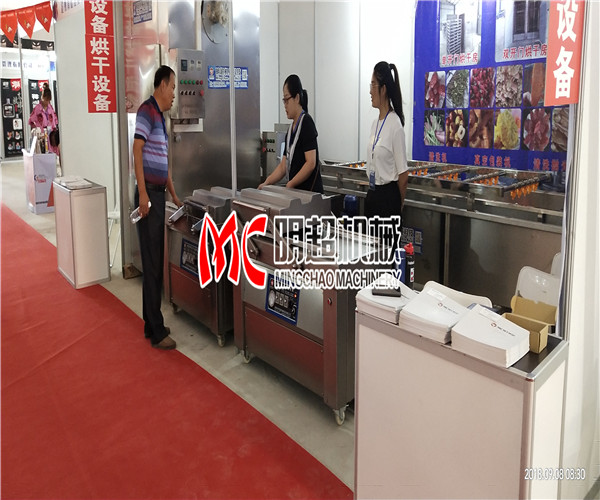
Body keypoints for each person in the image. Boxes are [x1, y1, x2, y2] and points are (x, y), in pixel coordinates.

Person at [133, 65, 182, 350]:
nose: (174, 93)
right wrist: (143, 194)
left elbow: (163, 164)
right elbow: (137, 149)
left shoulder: (160, 118)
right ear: (162, 84)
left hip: (157, 195)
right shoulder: (146, 111)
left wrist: (174, 195)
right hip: (148, 196)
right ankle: (157, 331)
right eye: (173, 87)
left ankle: (150, 323)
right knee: (152, 264)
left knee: (154, 261)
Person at [365, 61, 408, 252]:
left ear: (383, 89)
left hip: (388, 199)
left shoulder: (395, 125)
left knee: (387, 257)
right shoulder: (375, 124)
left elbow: (403, 175)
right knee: (371, 256)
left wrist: (397, 206)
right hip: (373, 196)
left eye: (373, 85)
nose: (370, 91)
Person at [259, 74, 323, 193]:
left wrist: (291, 184)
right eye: (284, 101)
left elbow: (311, 163)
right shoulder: (290, 130)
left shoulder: (306, 123)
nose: (285, 105)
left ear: (297, 98)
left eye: (286, 100)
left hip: (309, 194)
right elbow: (283, 166)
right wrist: (266, 183)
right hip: (296, 194)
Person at [28, 83, 59, 156]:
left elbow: (55, 120)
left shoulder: (50, 107)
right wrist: (37, 129)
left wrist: (54, 129)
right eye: (46, 100)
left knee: (52, 154)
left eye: (48, 100)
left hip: (51, 135)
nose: (47, 102)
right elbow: (30, 121)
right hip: (42, 135)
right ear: (42, 97)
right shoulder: (37, 109)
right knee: (43, 153)